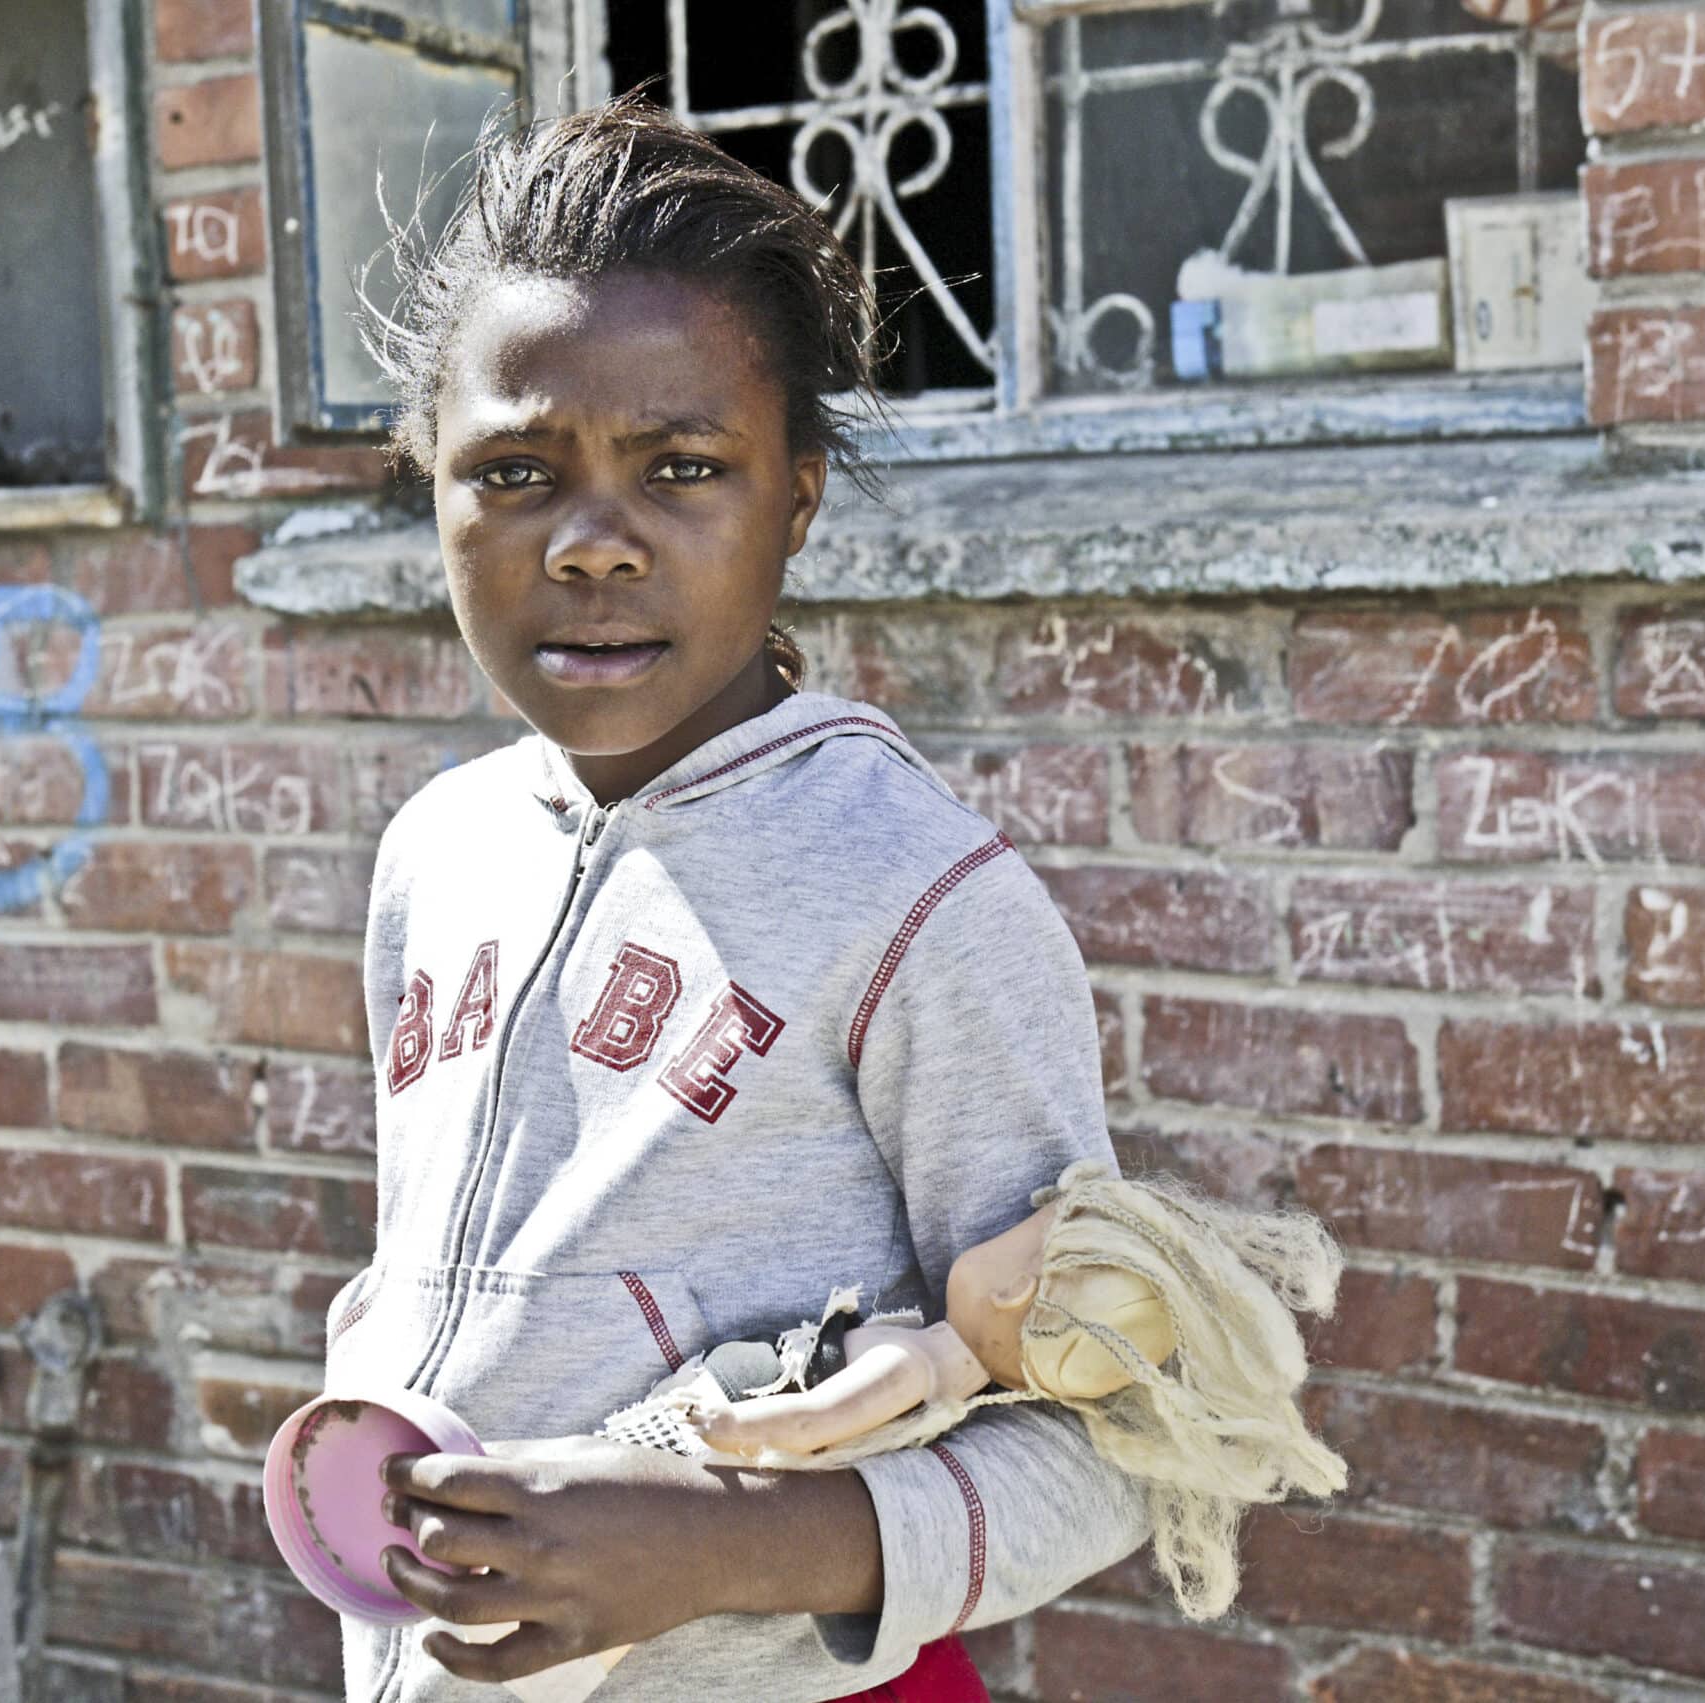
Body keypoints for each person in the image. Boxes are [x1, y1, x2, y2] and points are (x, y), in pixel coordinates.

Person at [329, 99, 1149, 1702]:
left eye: (685, 469)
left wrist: (724, 1543)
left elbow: (1116, 1448)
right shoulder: (438, 853)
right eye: (511, 470)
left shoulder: (920, 897)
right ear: (430, 486)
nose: (593, 545)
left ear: (801, 495)